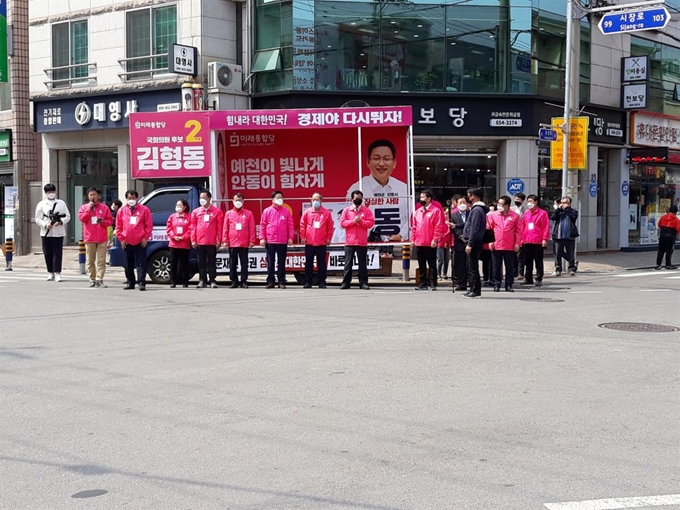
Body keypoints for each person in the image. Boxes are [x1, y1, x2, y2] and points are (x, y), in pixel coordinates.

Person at [346, 139, 409, 241]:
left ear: (394, 163)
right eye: (376, 158)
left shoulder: (404, 189)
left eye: (386, 159)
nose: (381, 164)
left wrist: (401, 235)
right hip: (365, 244)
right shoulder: (356, 189)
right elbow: (348, 218)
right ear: (367, 162)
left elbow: (411, 218)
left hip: (396, 244)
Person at [116, 190, 152, 290]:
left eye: (133, 198)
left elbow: (148, 225)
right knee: (128, 264)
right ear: (126, 199)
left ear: (137, 198)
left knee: (141, 263)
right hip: (127, 241)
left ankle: (141, 282)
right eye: (129, 198)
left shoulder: (144, 210)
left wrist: (145, 238)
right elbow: (118, 227)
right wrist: (121, 239)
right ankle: (130, 282)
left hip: (140, 241)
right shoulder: (121, 210)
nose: (131, 200)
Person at [78, 187, 113, 288]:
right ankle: (92, 279)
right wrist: (89, 209)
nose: (92, 197)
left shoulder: (104, 208)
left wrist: (102, 222)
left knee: (101, 260)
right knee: (90, 260)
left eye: (94, 194)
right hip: (89, 237)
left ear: (98, 196)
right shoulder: (84, 207)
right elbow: (82, 219)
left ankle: (99, 279)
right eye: (90, 195)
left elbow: (110, 221)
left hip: (102, 237)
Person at [35, 183, 71, 282]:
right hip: (46, 232)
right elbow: (37, 218)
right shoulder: (41, 204)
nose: (51, 193)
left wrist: (61, 222)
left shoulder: (61, 203)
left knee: (57, 253)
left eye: (52, 191)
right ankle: (50, 272)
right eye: (49, 192)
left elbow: (67, 216)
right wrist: (45, 225)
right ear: (45, 193)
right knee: (48, 253)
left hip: (58, 232)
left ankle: (57, 272)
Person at [340, 190, 375, 289]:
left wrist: (361, 222)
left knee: (362, 264)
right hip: (350, 241)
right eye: (356, 198)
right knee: (348, 264)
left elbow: (370, 223)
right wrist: (353, 221)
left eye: (360, 198)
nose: (358, 200)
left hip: (361, 241)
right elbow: (342, 223)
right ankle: (346, 282)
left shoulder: (366, 210)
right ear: (352, 199)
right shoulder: (347, 210)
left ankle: (363, 282)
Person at [412, 189, 446, 291]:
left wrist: (435, 239)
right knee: (421, 263)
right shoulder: (417, 212)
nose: (421, 199)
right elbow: (414, 227)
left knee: (431, 263)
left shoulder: (435, 211)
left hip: (430, 241)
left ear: (429, 199)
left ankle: (432, 283)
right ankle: (423, 283)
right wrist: (413, 239)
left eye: (423, 197)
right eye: (420, 197)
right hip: (419, 241)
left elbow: (438, 226)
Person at [260, 190, 294, 289]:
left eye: (281, 198)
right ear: (273, 199)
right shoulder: (267, 211)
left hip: (282, 241)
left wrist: (290, 237)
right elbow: (263, 225)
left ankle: (281, 281)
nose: (280, 199)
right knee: (270, 262)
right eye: (278, 198)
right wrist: (262, 238)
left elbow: (290, 225)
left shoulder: (286, 211)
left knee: (281, 262)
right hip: (270, 240)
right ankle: (270, 281)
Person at [487, 195, 521, 292]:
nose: (499, 206)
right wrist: (490, 241)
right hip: (496, 244)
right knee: (496, 266)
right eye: (499, 204)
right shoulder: (493, 215)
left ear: (507, 206)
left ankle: (509, 285)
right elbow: (489, 229)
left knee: (509, 266)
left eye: (502, 204)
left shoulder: (515, 216)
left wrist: (517, 243)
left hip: (509, 245)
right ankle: (496, 284)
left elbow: (518, 231)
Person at [300, 192, 334, 289]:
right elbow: (303, 225)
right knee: (309, 264)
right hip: (310, 242)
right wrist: (303, 237)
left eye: (317, 200)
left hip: (321, 242)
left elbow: (330, 227)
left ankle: (322, 282)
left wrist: (328, 238)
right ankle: (307, 282)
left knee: (322, 264)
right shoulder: (307, 212)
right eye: (313, 200)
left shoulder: (326, 213)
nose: (315, 201)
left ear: (321, 201)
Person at [222, 193, 256, 288]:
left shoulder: (248, 213)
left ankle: (244, 281)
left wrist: (252, 240)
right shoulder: (228, 213)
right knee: (233, 263)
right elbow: (225, 227)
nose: (238, 202)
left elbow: (251, 228)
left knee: (244, 263)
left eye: (239, 200)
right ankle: (234, 281)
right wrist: (225, 240)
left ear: (243, 201)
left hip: (244, 242)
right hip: (232, 242)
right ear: (233, 201)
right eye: (236, 200)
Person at [191, 190, 224, 289]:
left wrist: (219, 240)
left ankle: (212, 280)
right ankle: (202, 280)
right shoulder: (196, 212)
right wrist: (193, 239)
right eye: (200, 198)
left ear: (209, 199)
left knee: (212, 262)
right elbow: (193, 227)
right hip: (200, 241)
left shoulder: (217, 211)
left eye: (204, 198)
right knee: (201, 262)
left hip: (212, 242)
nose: (202, 200)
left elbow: (219, 227)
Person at [461, 188, 488, 298]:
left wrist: (470, 243)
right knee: (470, 266)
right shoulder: (477, 209)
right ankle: (472, 288)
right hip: (473, 240)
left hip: (474, 242)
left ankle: (475, 291)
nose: (468, 197)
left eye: (469, 195)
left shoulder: (477, 210)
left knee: (473, 267)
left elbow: (474, 228)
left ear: (474, 196)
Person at [520, 194, 550, 287]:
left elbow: (546, 227)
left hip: (537, 241)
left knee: (538, 261)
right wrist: (521, 239)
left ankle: (538, 278)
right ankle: (528, 278)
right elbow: (522, 226)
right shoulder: (526, 213)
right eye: (528, 201)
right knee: (527, 261)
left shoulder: (542, 213)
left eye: (531, 201)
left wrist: (545, 239)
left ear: (536, 202)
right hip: (527, 240)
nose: (529, 203)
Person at [166, 199, 192, 288]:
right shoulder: (172, 217)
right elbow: (169, 229)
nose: (178, 207)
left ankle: (185, 281)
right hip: (174, 243)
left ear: (185, 207)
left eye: (180, 205)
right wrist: (174, 236)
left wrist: (183, 237)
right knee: (173, 263)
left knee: (184, 263)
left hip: (184, 244)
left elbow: (190, 229)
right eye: (177, 205)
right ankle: (173, 281)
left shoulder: (189, 217)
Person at [551, 196, 579, 276]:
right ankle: (558, 269)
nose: (563, 204)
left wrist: (567, 209)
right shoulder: (558, 211)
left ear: (569, 203)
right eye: (562, 203)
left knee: (570, 252)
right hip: (558, 236)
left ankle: (571, 268)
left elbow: (573, 217)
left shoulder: (573, 211)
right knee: (557, 253)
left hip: (569, 236)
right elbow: (553, 217)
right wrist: (558, 209)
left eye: (565, 203)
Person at [448, 197, 469, 292]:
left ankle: (470, 282)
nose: (463, 204)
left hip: (470, 241)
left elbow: (470, 225)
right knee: (460, 264)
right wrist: (460, 236)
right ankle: (461, 283)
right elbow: (452, 228)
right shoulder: (453, 215)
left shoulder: (471, 213)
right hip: (459, 242)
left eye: (464, 202)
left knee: (469, 264)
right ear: (456, 204)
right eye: (460, 202)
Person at [655, 204, 680, 270]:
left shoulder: (663, 217)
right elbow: (678, 229)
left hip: (662, 235)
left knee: (661, 251)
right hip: (670, 236)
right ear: (676, 212)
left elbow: (659, 225)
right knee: (669, 251)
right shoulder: (676, 220)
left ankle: (658, 264)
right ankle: (668, 264)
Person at [511, 192, 527, 280]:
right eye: (516, 199)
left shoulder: (526, 211)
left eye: (519, 199)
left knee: (521, 256)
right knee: (513, 255)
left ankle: (521, 273)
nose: (516, 201)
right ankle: (514, 272)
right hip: (511, 235)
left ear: (522, 201)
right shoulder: (511, 209)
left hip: (521, 234)